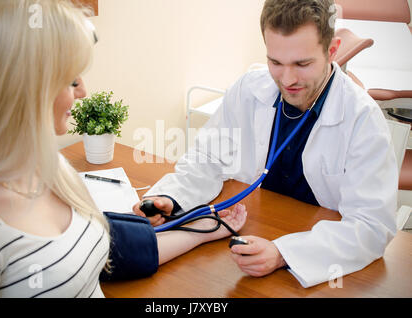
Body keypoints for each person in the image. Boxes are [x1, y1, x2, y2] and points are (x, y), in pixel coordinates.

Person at [0, 0, 246, 298]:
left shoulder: (50, 167)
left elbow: (107, 250)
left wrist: (203, 229)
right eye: (70, 79)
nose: (83, 91)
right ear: (22, 87)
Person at [134, 0, 398, 288]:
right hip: (248, 235)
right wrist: (171, 198)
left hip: (317, 263)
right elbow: (205, 159)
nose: (287, 79)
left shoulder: (362, 119)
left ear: (332, 51)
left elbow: (371, 227)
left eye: (302, 63)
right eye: (276, 62)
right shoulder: (250, 89)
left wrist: (284, 253)